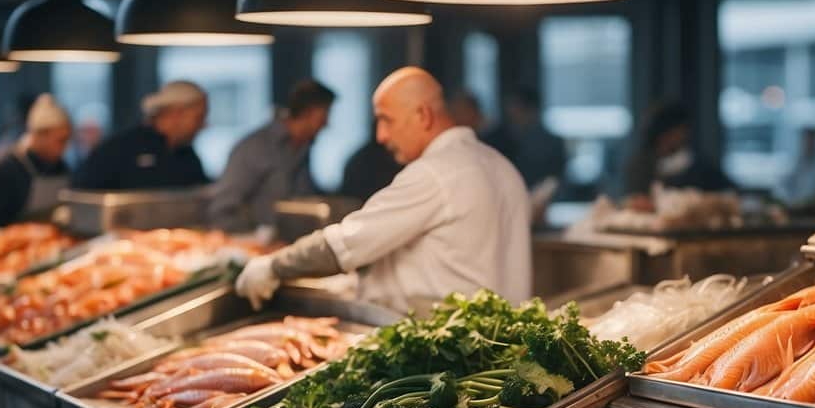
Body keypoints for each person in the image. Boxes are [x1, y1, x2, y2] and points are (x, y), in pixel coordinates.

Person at [235, 67, 531, 314]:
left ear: (423, 116)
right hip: (496, 343)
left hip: (441, 348)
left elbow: (344, 245)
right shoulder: (502, 166)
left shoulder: (434, 173)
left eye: (386, 119)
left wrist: (272, 266)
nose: (380, 136)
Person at [208, 80, 334, 236]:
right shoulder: (255, 148)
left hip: (292, 244)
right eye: (324, 114)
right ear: (307, 112)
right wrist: (251, 239)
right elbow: (223, 208)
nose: (327, 123)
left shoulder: (302, 147)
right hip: (256, 246)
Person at [72, 80, 209, 190]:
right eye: (199, 117)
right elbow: (83, 195)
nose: (204, 125)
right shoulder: (118, 149)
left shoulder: (188, 155)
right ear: (176, 114)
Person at [0, 94, 72, 235]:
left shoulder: (62, 167)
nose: (65, 147)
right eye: (61, 140)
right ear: (39, 136)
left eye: (67, 140)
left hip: (50, 244)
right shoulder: (7, 171)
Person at [622, 101, 734, 195]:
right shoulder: (641, 165)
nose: (683, 135)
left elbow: (728, 191)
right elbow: (635, 199)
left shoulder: (697, 163)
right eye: (678, 131)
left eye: (683, 130)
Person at [484, 87, 566, 189]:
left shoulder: (551, 143)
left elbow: (556, 181)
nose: (512, 113)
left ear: (532, 110)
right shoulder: (495, 139)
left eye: (517, 108)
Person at [776, 128, 815, 208]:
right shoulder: (798, 161)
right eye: (807, 140)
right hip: (796, 205)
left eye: (812, 140)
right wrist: (789, 201)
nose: (809, 143)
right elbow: (784, 184)